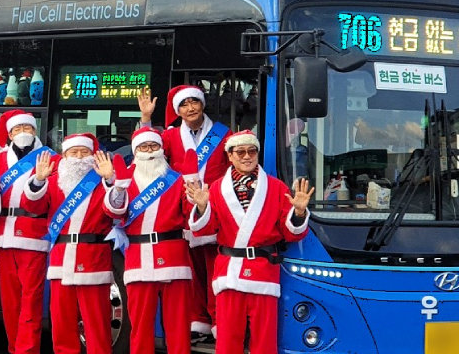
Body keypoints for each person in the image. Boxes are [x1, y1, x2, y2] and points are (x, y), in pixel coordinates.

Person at [187, 130, 313, 354]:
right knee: (227, 342)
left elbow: (291, 232)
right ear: (230, 156)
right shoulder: (215, 189)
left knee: (264, 343)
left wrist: (299, 212)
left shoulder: (276, 188)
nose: (247, 156)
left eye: (252, 151)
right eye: (241, 152)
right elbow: (204, 230)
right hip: (229, 273)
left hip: (264, 272)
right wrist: (202, 207)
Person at [138, 85, 232, 337]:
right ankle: (197, 319)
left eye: (194, 102)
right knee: (191, 273)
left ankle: (218, 321)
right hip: (182, 212)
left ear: (202, 104)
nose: (190, 108)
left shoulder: (223, 135)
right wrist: (146, 119)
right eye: (184, 104)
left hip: (215, 209)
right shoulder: (169, 137)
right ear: (177, 110)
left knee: (217, 271)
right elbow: (147, 151)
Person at [103, 126, 195, 354]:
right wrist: (118, 189)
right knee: (140, 328)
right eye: (143, 147)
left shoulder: (176, 179)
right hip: (139, 258)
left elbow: (191, 217)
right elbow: (113, 213)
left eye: (154, 146)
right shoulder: (124, 179)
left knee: (178, 327)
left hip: (174, 257)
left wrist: (196, 191)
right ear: (135, 151)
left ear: (162, 149)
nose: (149, 151)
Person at [24, 133, 117, 354]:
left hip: (93, 258)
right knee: (62, 324)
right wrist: (38, 181)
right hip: (61, 259)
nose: (78, 157)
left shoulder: (102, 179)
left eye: (83, 152)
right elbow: (33, 207)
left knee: (97, 325)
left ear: (92, 155)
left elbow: (115, 209)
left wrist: (110, 180)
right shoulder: (55, 181)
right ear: (64, 156)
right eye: (72, 152)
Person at [0, 109, 54, 354]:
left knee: (31, 301)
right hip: (5, 236)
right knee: (10, 302)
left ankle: (27, 350)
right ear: (9, 134)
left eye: (27, 129)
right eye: (17, 130)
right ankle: (15, 348)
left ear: (35, 131)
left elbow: (47, 199)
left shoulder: (49, 158)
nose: (23, 133)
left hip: (34, 236)